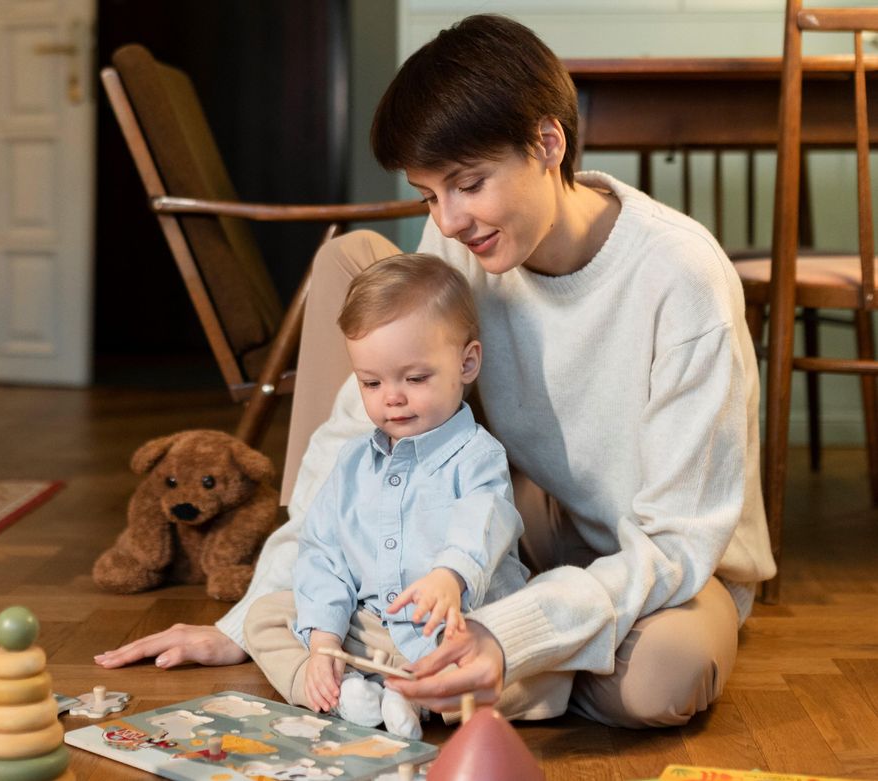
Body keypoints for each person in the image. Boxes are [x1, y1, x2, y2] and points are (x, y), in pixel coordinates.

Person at [95, 13, 777, 728]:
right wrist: (240, 624)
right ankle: (450, 657)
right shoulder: (461, 240)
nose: (448, 221)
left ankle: (444, 657)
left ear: (549, 142)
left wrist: (508, 636)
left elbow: (674, 541)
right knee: (365, 273)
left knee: (660, 683)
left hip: (661, 561)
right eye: (429, 195)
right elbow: (354, 444)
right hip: (520, 522)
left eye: (469, 183)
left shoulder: (681, 277)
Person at [247, 253, 528, 739]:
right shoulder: (353, 465)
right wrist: (323, 643)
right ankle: (333, 688)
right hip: (370, 629)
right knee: (268, 617)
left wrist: (449, 576)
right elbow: (324, 553)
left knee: (524, 673)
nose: (391, 398)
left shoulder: (477, 456)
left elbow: (486, 518)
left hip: (451, 631)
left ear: (467, 363)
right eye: (371, 383)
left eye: (414, 379)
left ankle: (408, 696)